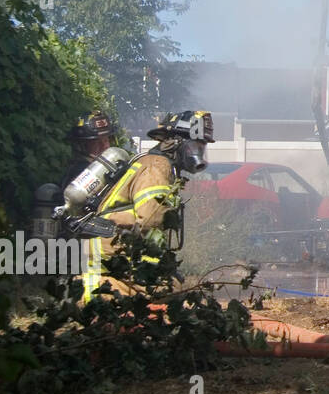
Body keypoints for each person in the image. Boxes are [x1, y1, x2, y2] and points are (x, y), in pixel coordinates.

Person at [80, 110, 215, 300]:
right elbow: (151, 221)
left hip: (115, 250)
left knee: (174, 289)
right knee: (170, 293)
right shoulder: (157, 166)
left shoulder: (155, 163)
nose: (199, 154)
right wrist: (159, 270)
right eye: (196, 147)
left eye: (202, 148)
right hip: (112, 251)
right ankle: (94, 294)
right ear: (177, 142)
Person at [60, 110, 117, 190]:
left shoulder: (111, 168)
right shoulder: (80, 175)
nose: (104, 146)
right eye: (96, 142)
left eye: (106, 140)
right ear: (81, 146)